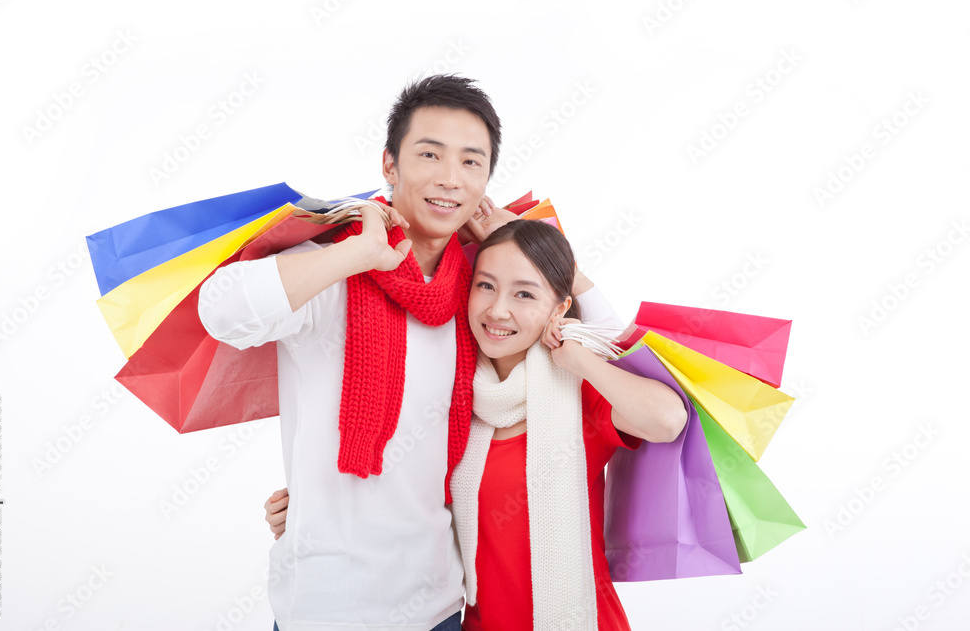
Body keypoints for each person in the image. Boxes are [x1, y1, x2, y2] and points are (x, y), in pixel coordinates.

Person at [200, 75, 618, 630]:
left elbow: (608, 336)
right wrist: (360, 254)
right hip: (326, 606)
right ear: (389, 166)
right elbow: (220, 309)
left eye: (472, 162)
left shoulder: (478, 293)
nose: (450, 179)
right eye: (429, 154)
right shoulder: (329, 267)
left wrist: (520, 235)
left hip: (438, 605)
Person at [266, 220, 687, 629]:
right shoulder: (454, 400)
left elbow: (668, 420)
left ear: (559, 307)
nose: (498, 309)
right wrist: (316, 508)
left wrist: (578, 357)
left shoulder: (576, 393)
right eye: (485, 285)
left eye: (525, 293)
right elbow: (407, 492)